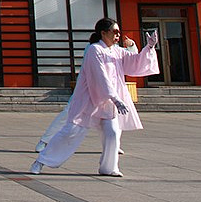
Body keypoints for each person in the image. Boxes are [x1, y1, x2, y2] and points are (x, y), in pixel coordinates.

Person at [29, 18, 158, 177]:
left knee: (112, 133)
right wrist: (115, 98)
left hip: (107, 102)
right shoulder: (94, 50)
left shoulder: (116, 51)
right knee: (71, 132)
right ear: (103, 33)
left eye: (118, 32)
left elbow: (134, 61)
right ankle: (41, 161)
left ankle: (108, 167)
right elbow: (100, 77)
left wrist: (149, 47)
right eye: (114, 32)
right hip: (89, 100)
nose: (118, 35)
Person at [35, 35, 138, 153]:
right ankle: (45, 141)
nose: (116, 37)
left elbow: (132, 58)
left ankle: (113, 145)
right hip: (88, 91)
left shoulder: (115, 49)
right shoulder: (93, 48)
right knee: (68, 115)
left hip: (107, 93)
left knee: (113, 119)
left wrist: (131, 46)